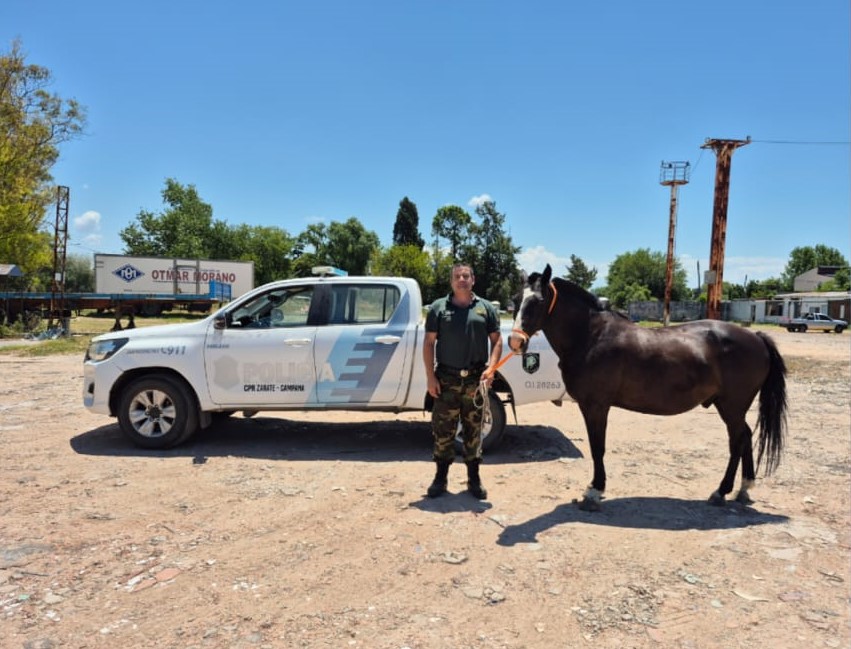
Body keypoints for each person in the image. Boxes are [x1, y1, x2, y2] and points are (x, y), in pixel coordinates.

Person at [423, 262, 503, 499]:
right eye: (457, 276)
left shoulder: (486, 308)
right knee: (443, 431)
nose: (461, 279)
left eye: (466, 276)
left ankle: (473, 479)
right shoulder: (438, 308)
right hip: (446, 379)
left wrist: (492, 368)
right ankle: (440, 478)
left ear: (473, 280)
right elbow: (429, 343)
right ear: (451, 281)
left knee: (474, 431)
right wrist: (430, 377)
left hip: (475, 382)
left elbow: (497, 341)